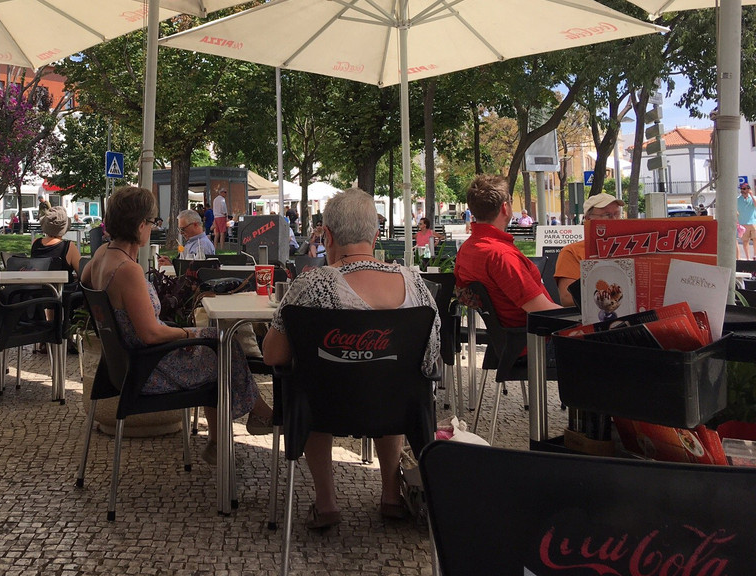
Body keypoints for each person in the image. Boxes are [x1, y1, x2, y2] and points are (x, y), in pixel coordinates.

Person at [263, 188, 440, 531]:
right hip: (397, 407)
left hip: (324, 408)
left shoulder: (309, 286)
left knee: (309, 379)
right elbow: (428, 360)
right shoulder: (416, 286)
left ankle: (326, 502)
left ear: (327, 236)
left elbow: (272, 354)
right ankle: (391, 494)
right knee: (392, 374)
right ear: (376, 237)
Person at [81, 186, 273, 465]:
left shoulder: (101, 255)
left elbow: (87, 286)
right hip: (148, 369)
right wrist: (189, 332)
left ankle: (230, 434)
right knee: (222, 344)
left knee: (216, 345)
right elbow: (151, 333)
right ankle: (256, 417)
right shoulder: (127, 270)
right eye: (152, 222)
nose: (153, 228)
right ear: (140, 225)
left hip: (122, 364)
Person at [454, 175, 560, 328]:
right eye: (511, 201)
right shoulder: (501, 255)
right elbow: (543, 311)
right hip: (535, 336)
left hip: (504, 338)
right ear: (505, 207)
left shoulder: (467, 249)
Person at [553, 193, 623, 307]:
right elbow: (567, 298)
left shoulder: (632, 248)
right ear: (588, 219)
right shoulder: (572, 252)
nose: (614, 220)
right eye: (607, 215)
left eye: (617, 214)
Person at [30, 205, 82, 278]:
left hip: (39, 284)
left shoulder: (35, 243)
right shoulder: (68, 247)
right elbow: (82, 274)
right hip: (63, 285)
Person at [739, 183, 756, 261]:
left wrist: (751, 195)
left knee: (755, 239)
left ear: (749, 189)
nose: (743, 190)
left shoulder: (753, 198)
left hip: (753, 223)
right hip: (743, 224)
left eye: (745, 189)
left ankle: (755, 256)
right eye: (742, 189)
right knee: (745, 241)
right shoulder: (738, 199)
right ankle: (747, 258)